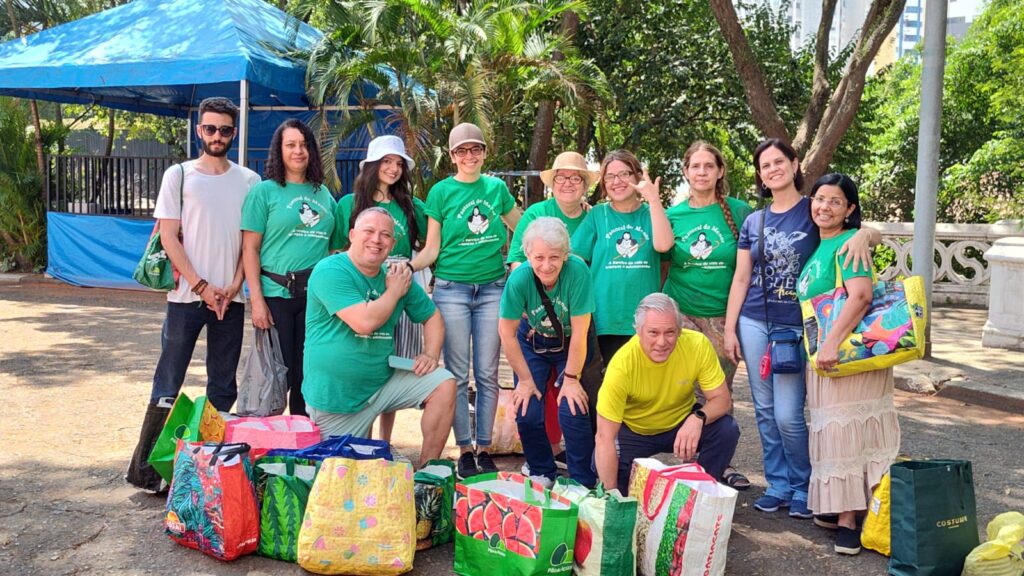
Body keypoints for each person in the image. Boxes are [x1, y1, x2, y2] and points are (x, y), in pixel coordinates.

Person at [723, 138, 877, 520]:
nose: (772, 169)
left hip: (799, 325)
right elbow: (742, 278)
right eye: (765, 165)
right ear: (759, 174)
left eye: (779, 161)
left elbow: (858, 229)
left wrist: (865, 234)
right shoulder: (754, 220)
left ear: (794, 164)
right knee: (763, 408)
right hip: (755, 320)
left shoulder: (815, 209)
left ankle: (803, 484)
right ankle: (777, 484)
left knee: (789, 413)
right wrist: (730, 329)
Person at [126, 97, 261, 492]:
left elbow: (248, 242)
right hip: (187, 298)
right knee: (168, 382)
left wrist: (235, 285)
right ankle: (146, 471)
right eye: (209, 128)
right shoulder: (179, 175)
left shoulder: (249, 181)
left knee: (223, 386)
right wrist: (201, 286)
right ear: (198, 130)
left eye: (224, 130)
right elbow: (168, 236)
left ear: (233, 134)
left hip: (230, 302)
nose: (216, 136)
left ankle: (209, 470)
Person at [796, 173, 900, 555]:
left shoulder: (847, 246)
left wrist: (830, 342)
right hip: (829, 353)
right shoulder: (821, 245)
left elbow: (860, 296)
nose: (824, 206)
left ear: (850, 209)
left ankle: (850, 522)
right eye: (819, 199)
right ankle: (845, 507)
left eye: (835, 201)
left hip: (845, 354)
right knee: (836, 432)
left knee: (852, 434)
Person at [303, 207, 455, 467]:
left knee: (444, 383)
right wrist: (394, 292)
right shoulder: (330, 270)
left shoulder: (396, 275)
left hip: (382, 385)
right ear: (352, 235)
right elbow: (364, 322)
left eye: (386, 235)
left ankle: (427, 475)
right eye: (369, 232)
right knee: (343, 485)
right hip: (337, 401)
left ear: (393, 244)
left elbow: (433, 318)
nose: (377, 240)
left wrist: (431, 354)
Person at [411, 123, 522, 479]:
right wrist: (405, 267)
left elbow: (522, 227)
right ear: (452, 156)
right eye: (462, 151)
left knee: (488, 373)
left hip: (492, 288)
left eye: (475, 150)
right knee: (457, 375)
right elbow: (432, 249)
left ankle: (485, 448)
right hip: (452, 290)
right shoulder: (441, 192)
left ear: (484, 153)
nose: (469, 156)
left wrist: (518, 259)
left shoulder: (496, 189)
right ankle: (464, 449)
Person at [663, 141, 754, 490]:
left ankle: (719, 462)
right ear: (685, 171)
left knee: (718, 392)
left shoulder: (741, 212)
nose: (701, 172)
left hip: (723, 317)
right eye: (695, 166)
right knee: (684, 389)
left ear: (719, 171)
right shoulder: (672, 216)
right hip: (681, 313)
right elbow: (662, 265)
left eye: (708, 166)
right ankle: (685, 465)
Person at [594, 293, 740, 494]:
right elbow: (604, 437)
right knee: (603, 465)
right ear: (638, 331)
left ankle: (700, 494)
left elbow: (722, 400)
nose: (662, 342)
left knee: (726, 429)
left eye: (670, 332)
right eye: (653, 332)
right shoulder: (622, 365)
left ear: (680, 331)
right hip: (636, 431)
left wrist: (698, 418)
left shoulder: (697, 344)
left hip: (679, 423)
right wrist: (611, 498)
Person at [241, 119, 339, 417]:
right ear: (279, 150)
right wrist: (256, 301)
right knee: (273, 378)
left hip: (315, 300)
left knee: (306, 377)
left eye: (304, 144)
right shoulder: (264, 192)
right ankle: (268, 446)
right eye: (291, 145)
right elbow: (250, 249)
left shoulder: (324, 195)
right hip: (275, 297)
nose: (299, 151)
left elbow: (334, 250)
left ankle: (301, 444)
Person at [335, 135, 427, 442]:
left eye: (399, 163)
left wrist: (410, 271)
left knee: (397, 362)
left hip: (401, 286)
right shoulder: (349, 204)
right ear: (372, 165)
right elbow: (336, 251)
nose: (393, 169)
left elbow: (433, 245)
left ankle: (385, 441)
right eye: (386, 161)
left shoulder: (412, 207)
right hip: (360, 288)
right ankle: (361, 438)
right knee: (365, 359)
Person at [498, 217, 598, 488]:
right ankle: (541, 469)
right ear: (527, 254)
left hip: (570, 342)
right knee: (527, 406)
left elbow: (580, 332)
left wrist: (572, 379)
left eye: (554, 257)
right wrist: (526, 381)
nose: (546, 265)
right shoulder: (519, 279)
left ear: (566, 255)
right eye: (538, 257)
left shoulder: (578, 272)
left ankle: (582, 479)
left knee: (573, 407)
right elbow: (506, 333)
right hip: (533, 343)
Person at [570, 150, 673, 364]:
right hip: (605, 317)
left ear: (637, 176)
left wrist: (653, 199)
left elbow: (664, 249)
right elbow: (575, 261)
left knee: (644, 390)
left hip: (647, 320)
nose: (617, 182)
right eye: (610, 176)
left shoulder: (653, 213)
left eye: (624, 174)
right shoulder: (598, 215)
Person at [506, 151, 596, 269]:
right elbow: (517, 261)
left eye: (575, 178)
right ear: (552, 184)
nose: (567, 183)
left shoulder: (593, 218)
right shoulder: (536, 214)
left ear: (585, 186)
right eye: (560, 177)